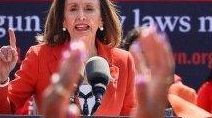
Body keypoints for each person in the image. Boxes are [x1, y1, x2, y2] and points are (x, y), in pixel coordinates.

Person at [0, 0, 136, 115]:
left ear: (102, 19)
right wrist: (1, 77)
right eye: (73, 9)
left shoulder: (124, 61)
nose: (81, 16)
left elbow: (130, 114)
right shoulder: (40, 56)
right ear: (63, 20)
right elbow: (1, 113)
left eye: (89, 9)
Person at [40, 26, 180, 118]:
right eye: (139, 54)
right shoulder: (42, 58)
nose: (81, 16)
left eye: (89, 9)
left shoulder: (171, 86)